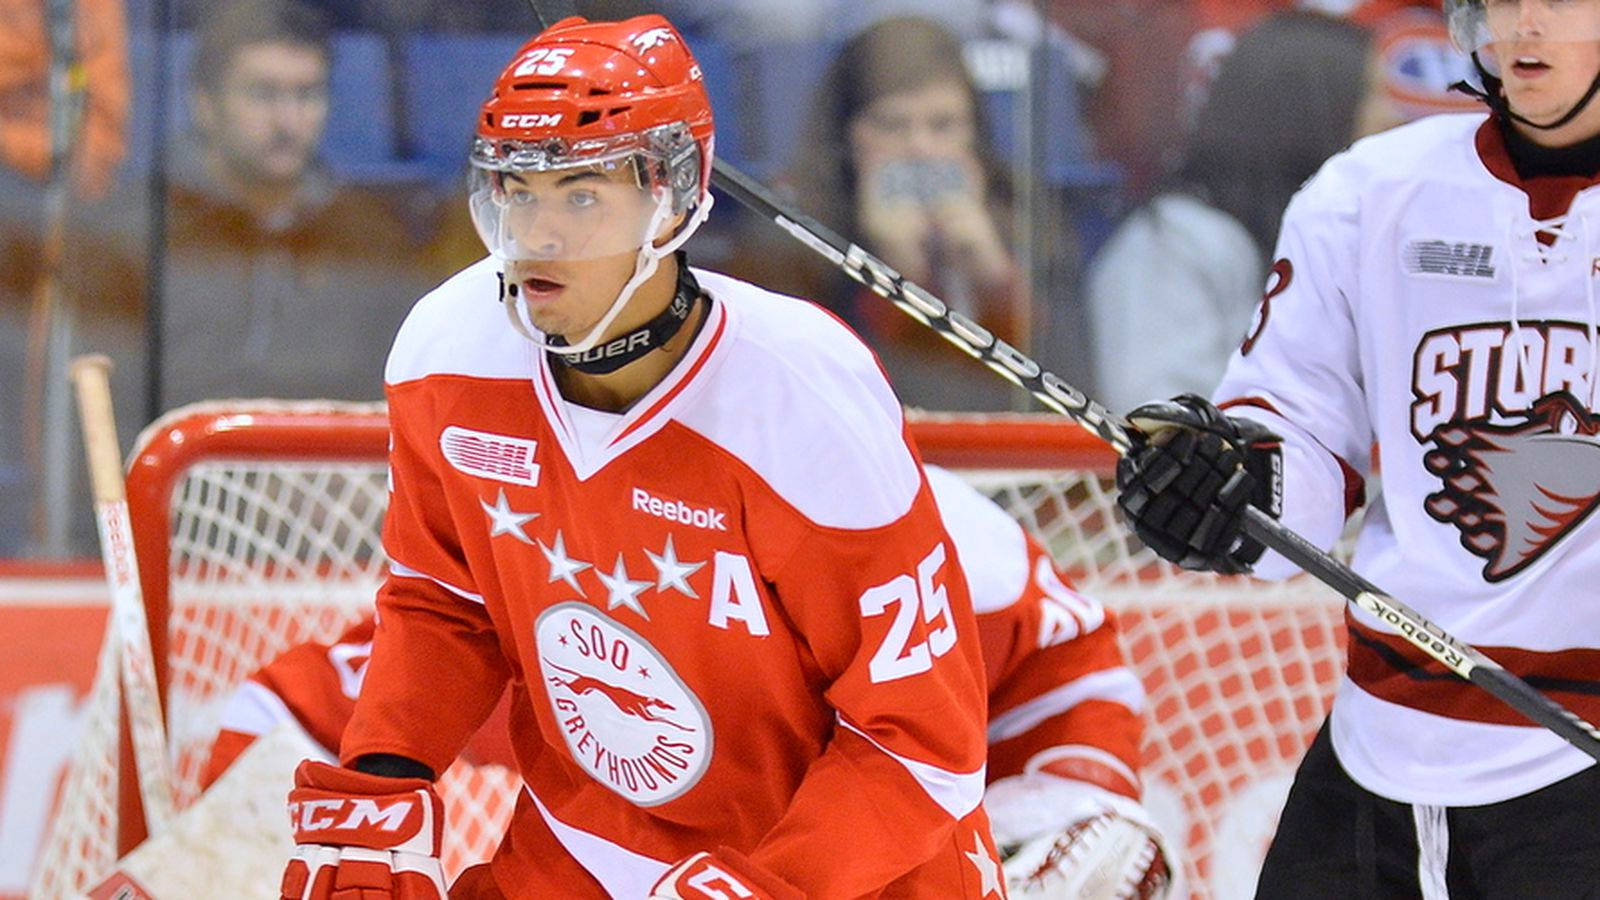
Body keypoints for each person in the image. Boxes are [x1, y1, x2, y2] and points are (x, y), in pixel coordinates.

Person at [274, 16, 998, 899]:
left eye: (580, 195)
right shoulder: (450, 351)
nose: (537, 235)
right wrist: (385, 775)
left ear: (673, 198)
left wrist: (768, 886)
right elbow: (445, 601)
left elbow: (919, 740)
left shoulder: (803, 396)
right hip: (588, 848)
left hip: (840, 867)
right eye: (517, 192)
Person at [1113, 0, 1600, 895]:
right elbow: (1299, 432)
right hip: (1382, 741)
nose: (1524, 24)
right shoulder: (1369, 192)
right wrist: (1235, 488)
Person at [207, 464, 1173, 896]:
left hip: (945, 809)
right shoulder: (558, 609)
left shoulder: (928, 565)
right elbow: (292, 710)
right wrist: (246, 867)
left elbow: (1070, 669)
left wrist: (1056, 815)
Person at [722, 15, 1082, 411]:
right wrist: (893, 271)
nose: (920, 148)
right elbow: (810, 399)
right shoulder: (789, 232)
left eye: (943, 125)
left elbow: (1074, 395)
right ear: (845, 135)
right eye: (892, 125)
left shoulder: (1030, 218)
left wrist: (991, 273)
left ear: (975, 132)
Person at [1087, 11, 1403, 412]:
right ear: (1310, 113)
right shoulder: (1174, 245)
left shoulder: (1333, 243)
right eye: (1372, 94)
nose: (1392, 117)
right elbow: (1162, 420)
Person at [157, 0, 433, 409]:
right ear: (205, 102)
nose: (287, 121)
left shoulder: (370, 239)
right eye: (263, 94)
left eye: (307, 94)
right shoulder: (140, 231)